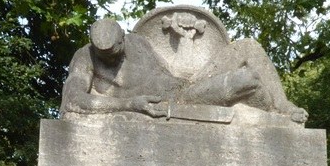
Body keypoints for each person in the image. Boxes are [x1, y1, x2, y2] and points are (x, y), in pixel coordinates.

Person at [60, 18, 307, 123]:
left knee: (248, 48)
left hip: (187, 87)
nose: (112, 56)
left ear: (122, 39)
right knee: (247, 82)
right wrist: (129, 104)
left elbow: (168, 70)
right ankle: (270, 111)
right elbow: (74, 99)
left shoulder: (137, 42)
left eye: (116, 49)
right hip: (179, 101)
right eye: (106, 54)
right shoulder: (85, 57)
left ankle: (283, 106)